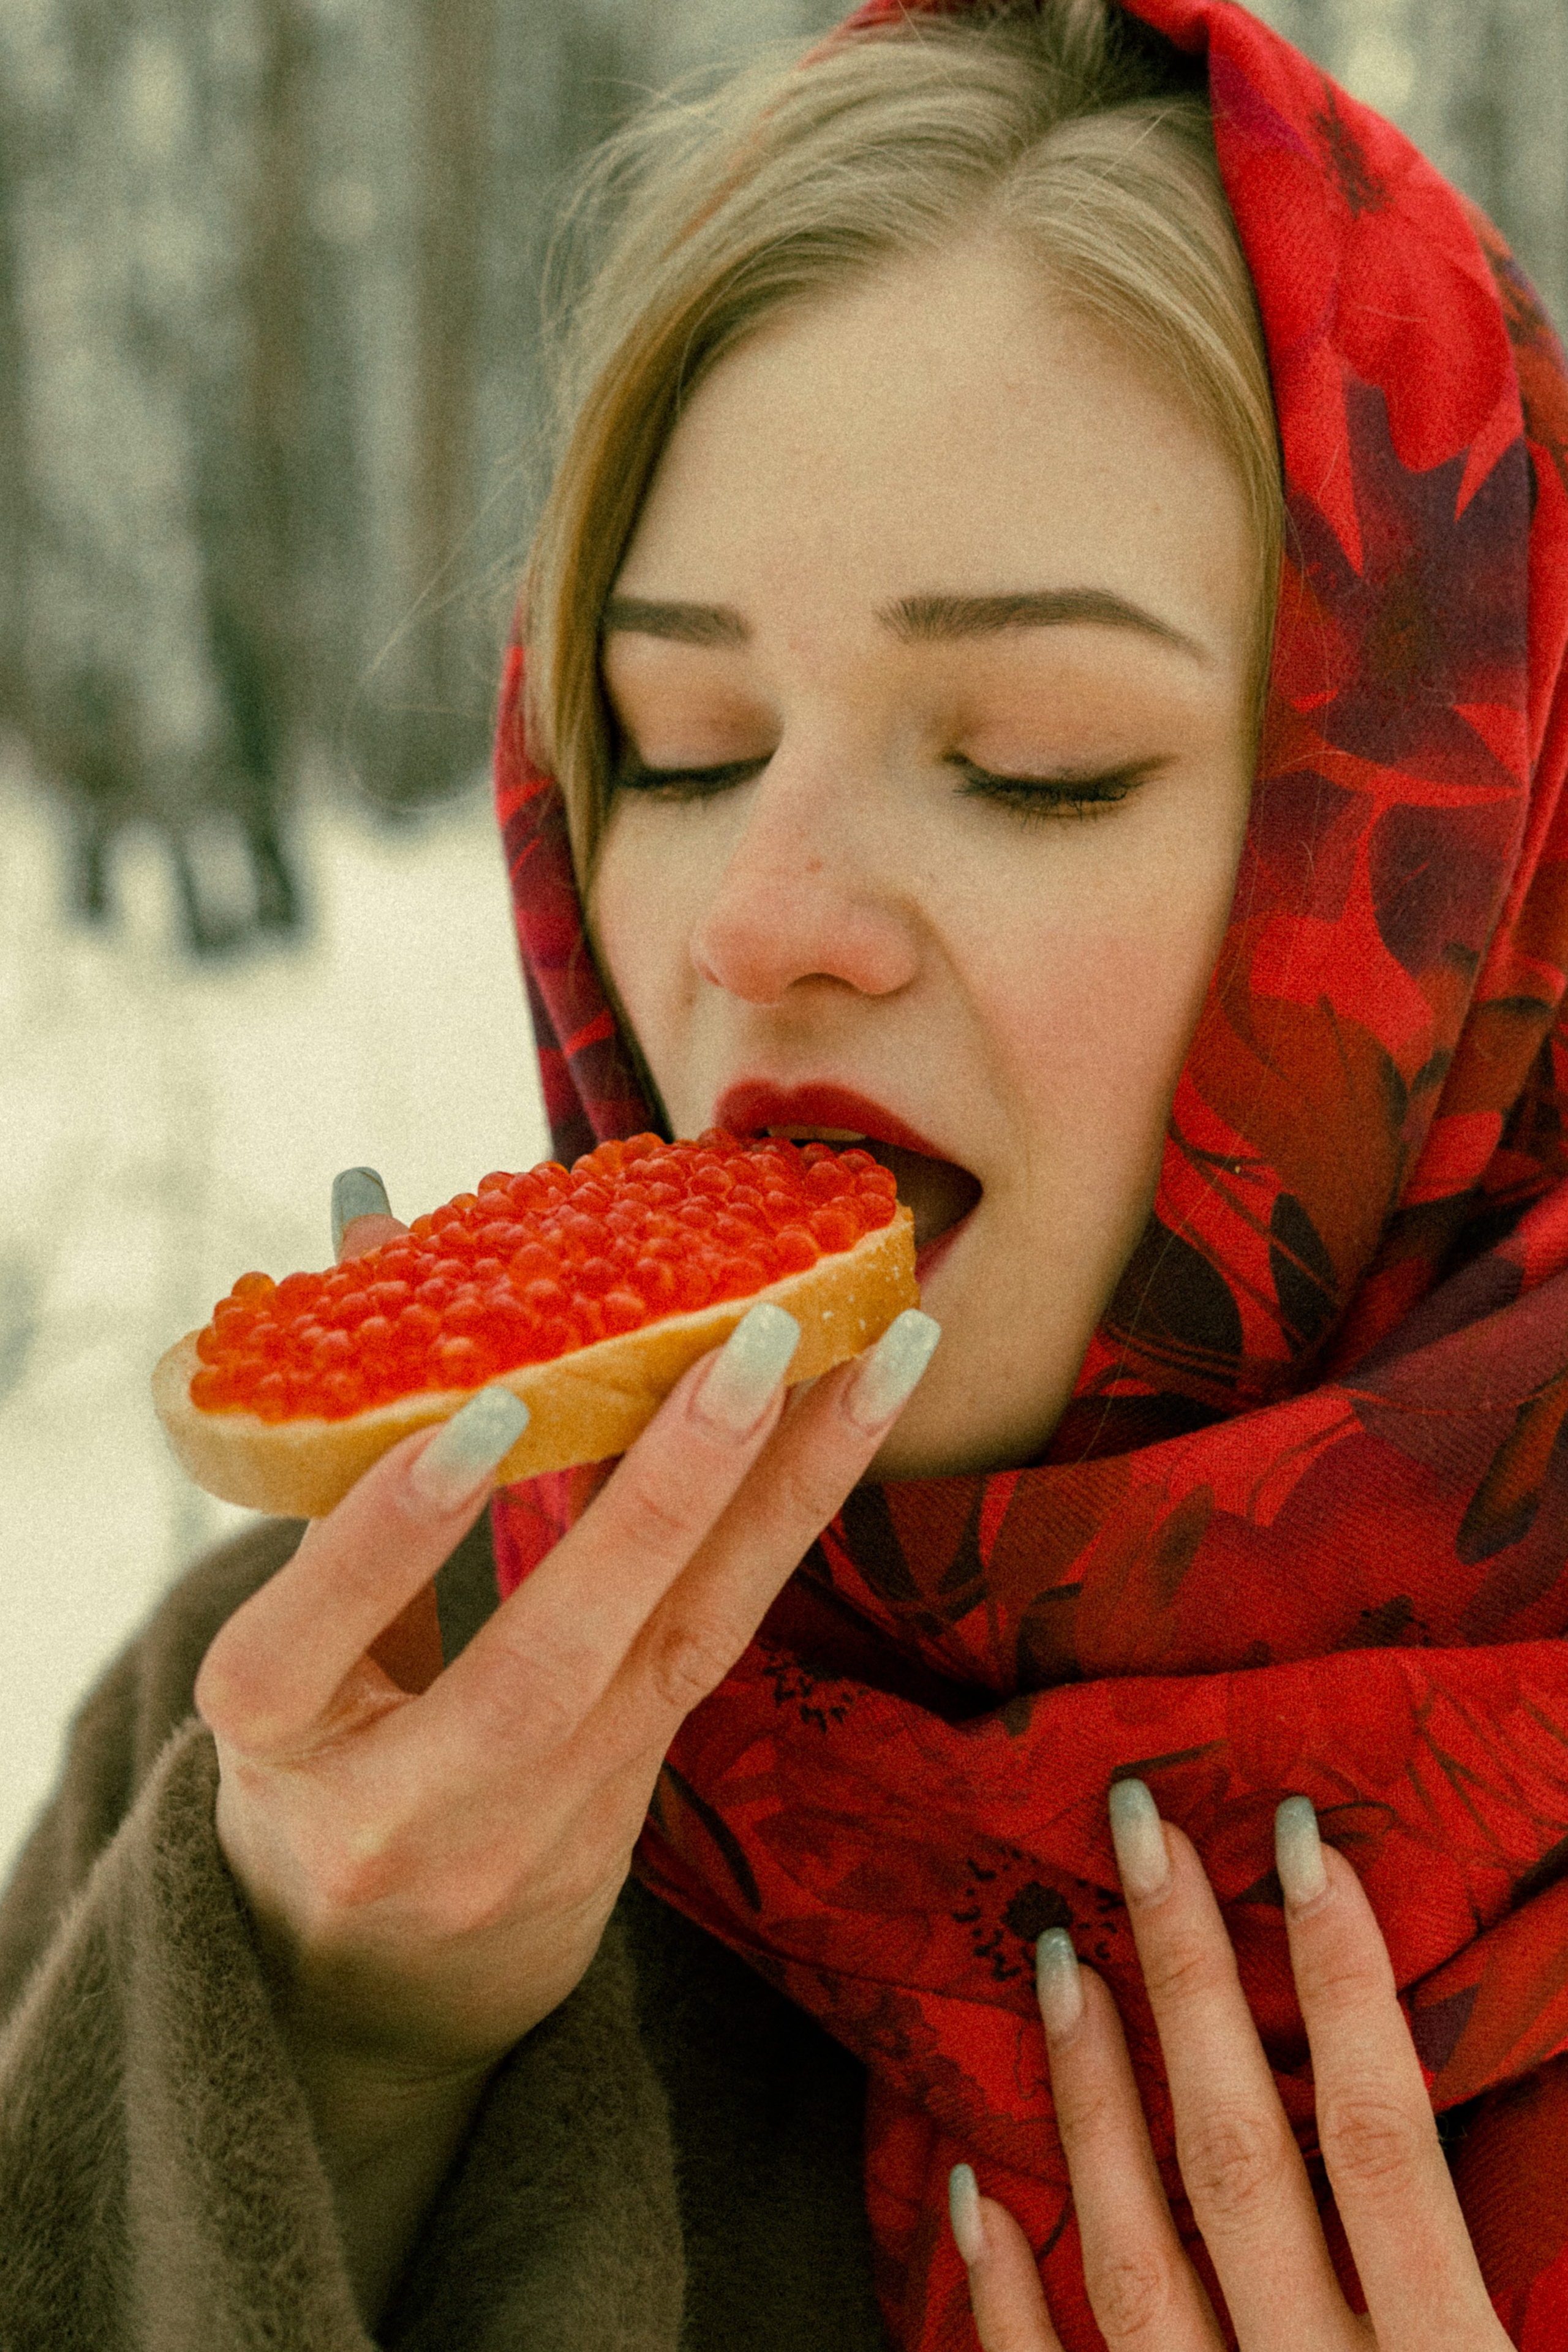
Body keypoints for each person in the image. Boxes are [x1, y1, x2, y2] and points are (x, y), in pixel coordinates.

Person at [3, 2, 1567, 2347]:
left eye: (1038, 765)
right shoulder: (318, 1729)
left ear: (1447, 880)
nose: (748, 926)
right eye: (680, 744)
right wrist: (338, 2053)